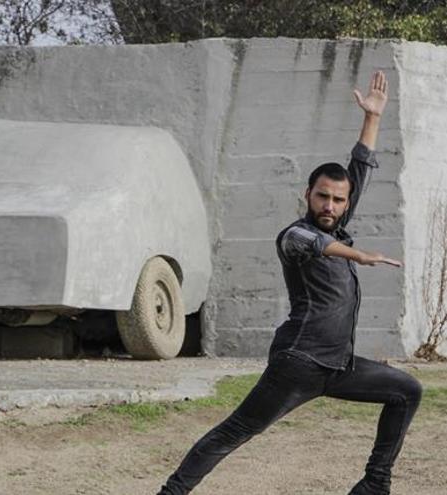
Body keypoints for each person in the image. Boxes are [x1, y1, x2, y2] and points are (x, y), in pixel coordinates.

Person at [157, 71, 423, 495]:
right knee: (236, 430)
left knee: (406, 390)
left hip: (338, 366)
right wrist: (359, 254)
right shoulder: (296, 236)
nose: (330, 205)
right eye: (323, 196)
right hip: (297, 365)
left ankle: (375, 484)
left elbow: (360, 171)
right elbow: (316, 243)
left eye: (338, 200)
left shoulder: (337, 222)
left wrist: (371, 120)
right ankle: (171, 493)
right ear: (308, 194)